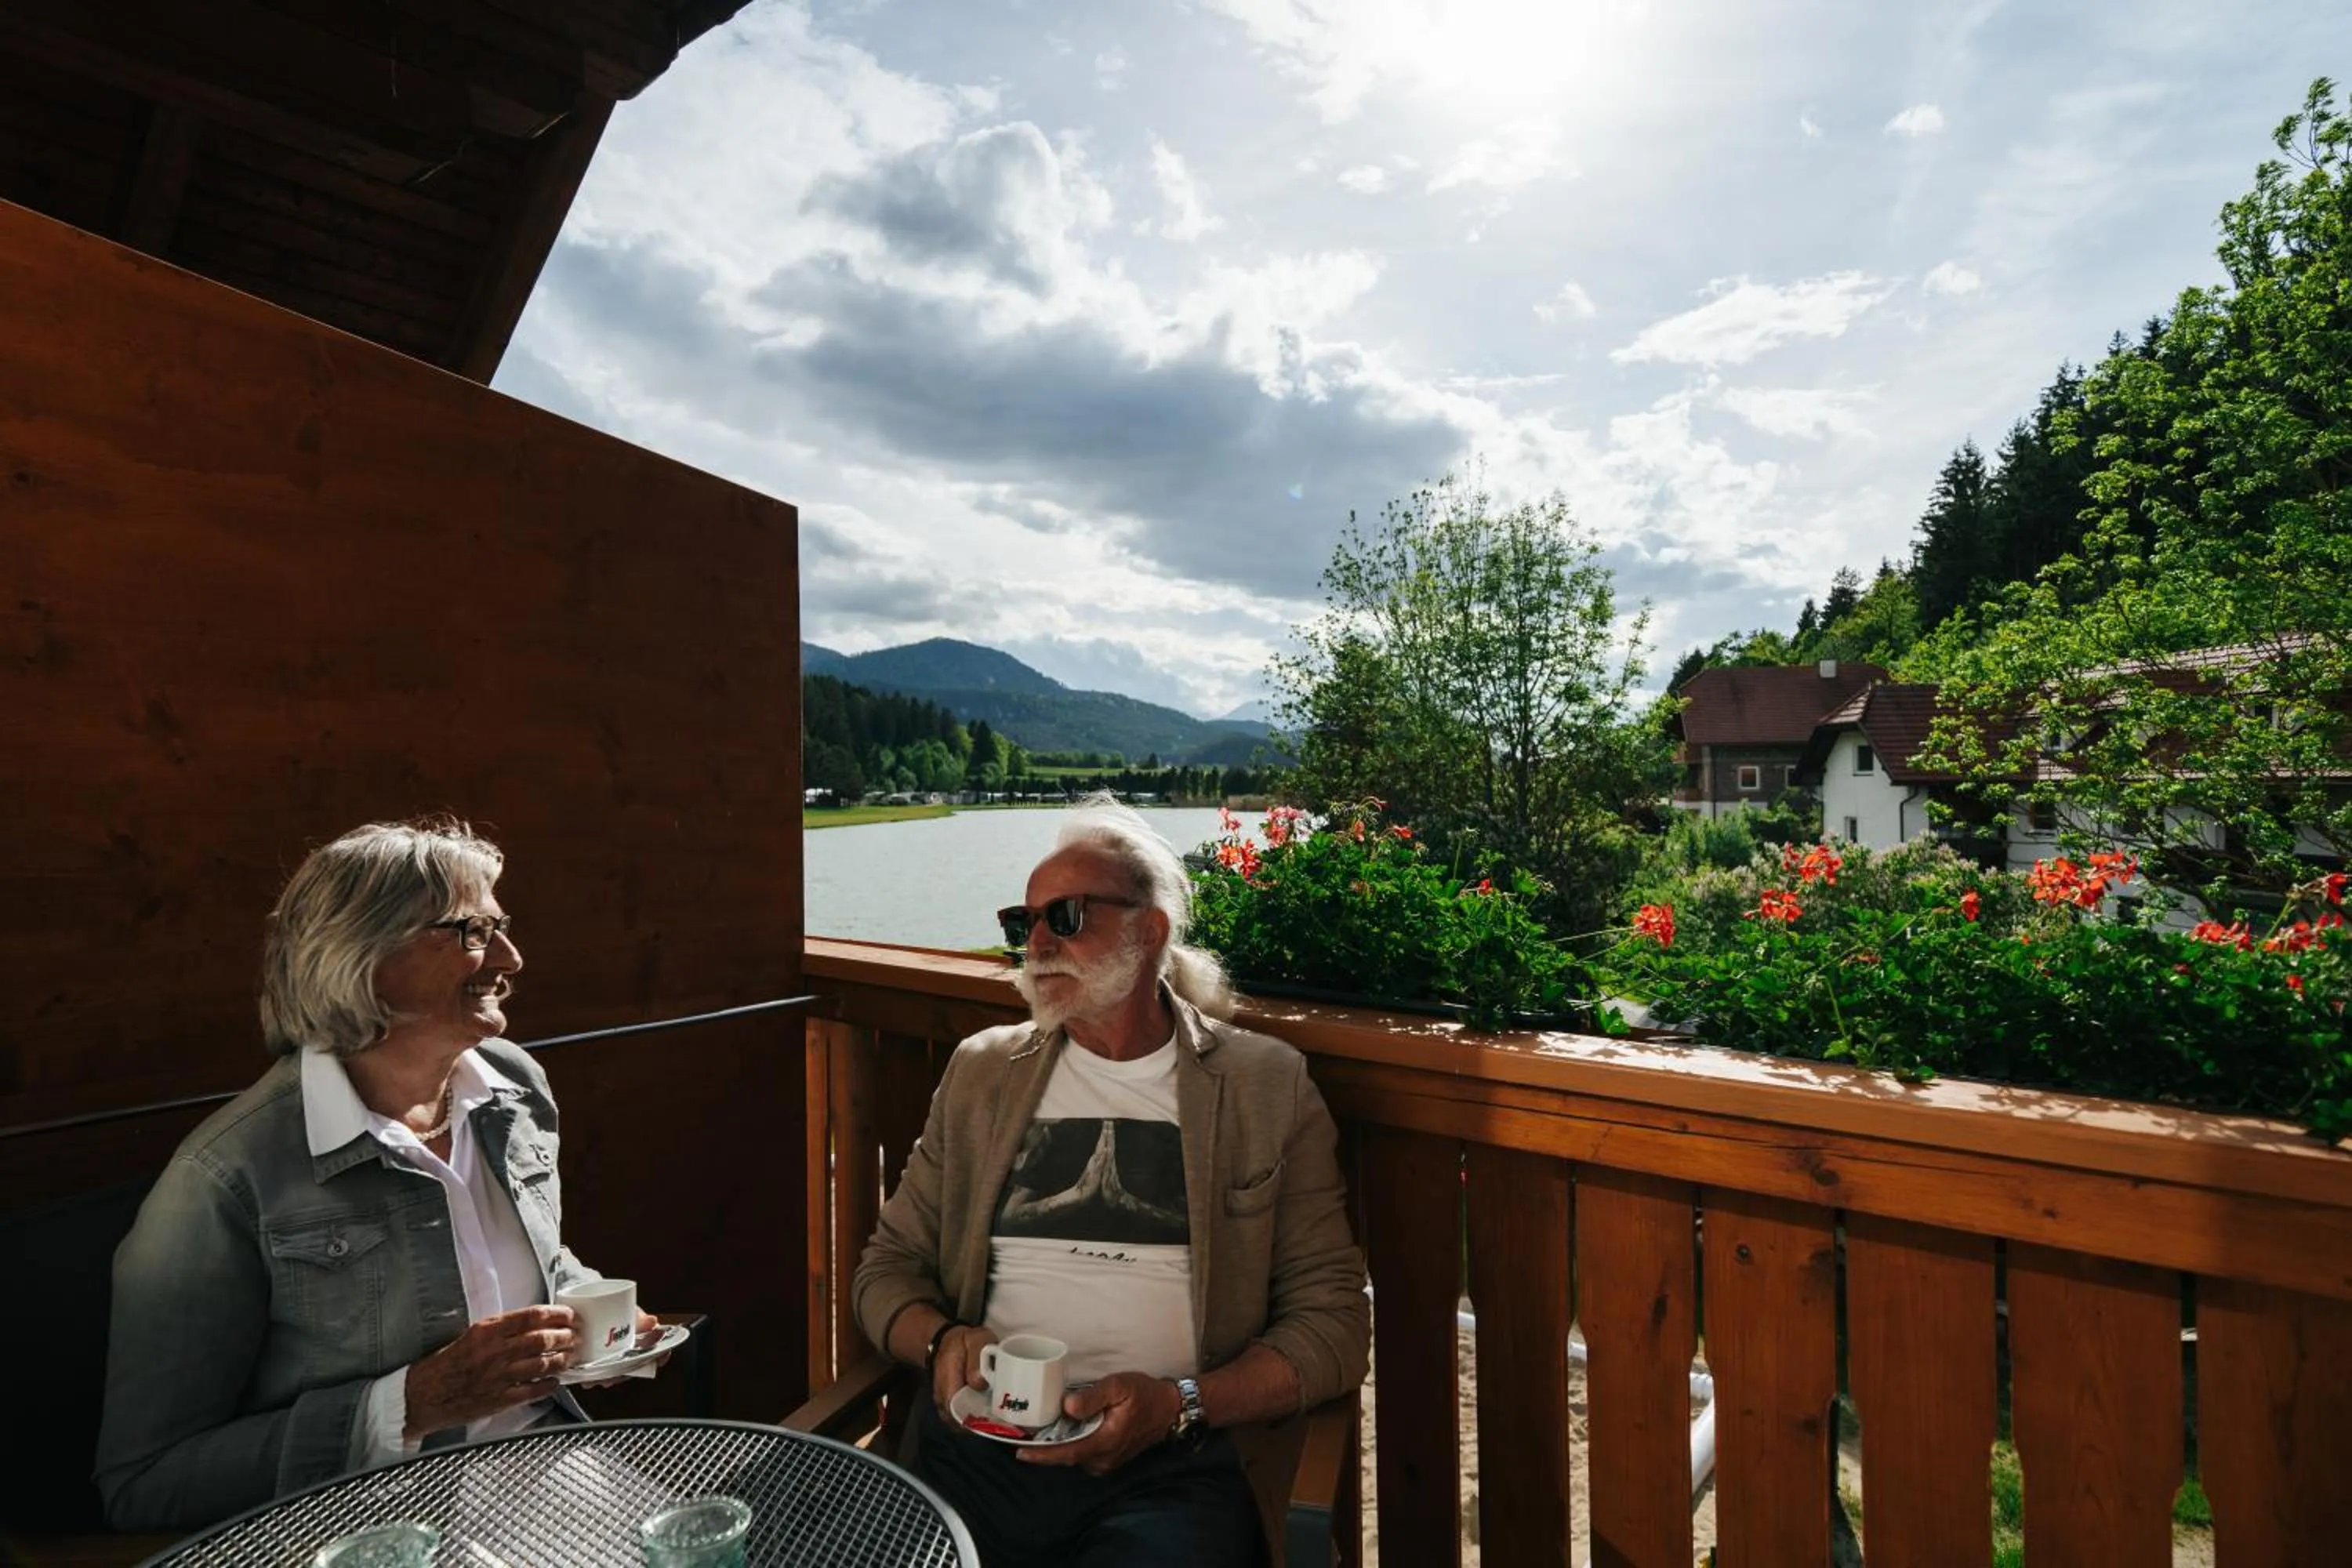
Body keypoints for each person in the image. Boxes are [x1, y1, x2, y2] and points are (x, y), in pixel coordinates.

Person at [852, 797, 1371, 1568]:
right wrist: (940, 1340)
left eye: (1065, 917)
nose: (1036, 943)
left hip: (1167, 1469)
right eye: (1022, 921)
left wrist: (1182, 1403)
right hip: (978, 1451)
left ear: (1149, 930)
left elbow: (1333, 1325)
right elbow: (884, 1271)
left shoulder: (1264, 1086)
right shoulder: (983, 1073)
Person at [96, 818, 653, 1531]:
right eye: (474, 932)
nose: (511, 958)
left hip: (552, 1471)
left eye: (502, 928)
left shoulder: (515, 1086)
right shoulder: (223, 1179)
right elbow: (147, 1484)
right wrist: (415, 1403)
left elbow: (517, 1258)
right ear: (361, 955)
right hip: (372, 1526)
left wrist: (593, 1315)